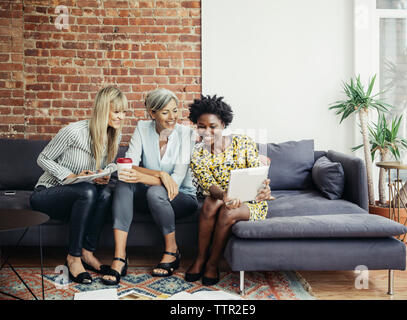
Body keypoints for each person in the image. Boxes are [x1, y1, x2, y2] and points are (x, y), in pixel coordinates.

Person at [30, 86, 128, 284]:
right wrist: (70, 175)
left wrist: (105, 174)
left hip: (83, 195)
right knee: (88, 192)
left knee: (105, 194)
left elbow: (108, 163)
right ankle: (73, 258)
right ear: (102, 109)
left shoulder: (113, 134)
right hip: (47, 194)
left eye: (124, 112)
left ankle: (87, 253)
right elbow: (43, 158)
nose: (121, 117)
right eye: (117, 111)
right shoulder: (73, 132)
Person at [102, 88, 198, 285]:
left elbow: (176, 182)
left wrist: (144, 177)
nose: (172, 117)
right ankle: (120, 258)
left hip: (181, 197)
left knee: (155, 192)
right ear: (152, 114)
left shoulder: (186, 134)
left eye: (175, 110)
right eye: (165, 112)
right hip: (150, 193)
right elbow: (129, 167)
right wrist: (160, 174)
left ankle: (172, 251)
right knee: (123, 182)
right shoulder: (143, 128)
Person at [184, 95, 272, 286]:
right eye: (201, 126)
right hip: (220, 195)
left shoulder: (244, 142)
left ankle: (212, 264)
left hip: (249, 199)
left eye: (213, 126)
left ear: (223, 124)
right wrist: (224, 196)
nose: (207, 131)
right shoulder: (198, 152)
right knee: (210, 203)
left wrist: (265, 188)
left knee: (227, 211)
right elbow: (208, 184)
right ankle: (200, 258)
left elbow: (258, 173)